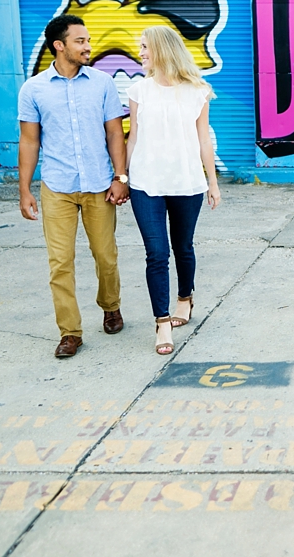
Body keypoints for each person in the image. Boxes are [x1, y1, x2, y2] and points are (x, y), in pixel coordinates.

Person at [17, 14, 130, 359]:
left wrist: (120, 177)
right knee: (60, 262)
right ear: (59, 46)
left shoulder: (102, 83)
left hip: (98, 184)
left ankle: (111, 306)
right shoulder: (33, 89)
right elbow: (29, 141)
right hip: (57, 187)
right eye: (80, 41)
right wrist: (24, 190)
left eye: (88, 40)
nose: (88, 46)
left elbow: (115, 132)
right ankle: (70, 332)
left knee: (105, 256)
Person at [126, 25, 222, 355]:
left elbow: (203, 139)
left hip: (186, 181)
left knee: (182, 246)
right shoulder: (138, 90)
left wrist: (212, 181)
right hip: (145, 182)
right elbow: (133, 136)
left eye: (144, 46)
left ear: (162, 49)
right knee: (156, 252)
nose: (140, 52)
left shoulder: (198, 90)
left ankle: (185, 298)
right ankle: (162, 321)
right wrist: (123, 177)